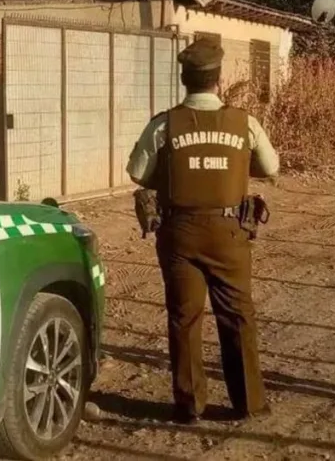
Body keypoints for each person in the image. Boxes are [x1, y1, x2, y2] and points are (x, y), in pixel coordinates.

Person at [125, 38, 280, 424]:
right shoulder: (245, 123)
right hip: (230, 233)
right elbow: (270, 167)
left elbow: (137, 173)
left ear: (184, 78)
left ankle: (189, 405)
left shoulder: (164, 125)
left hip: (180, 232)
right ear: (219, 78)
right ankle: (249, 403)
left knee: (184, 317)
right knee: (237, 315)